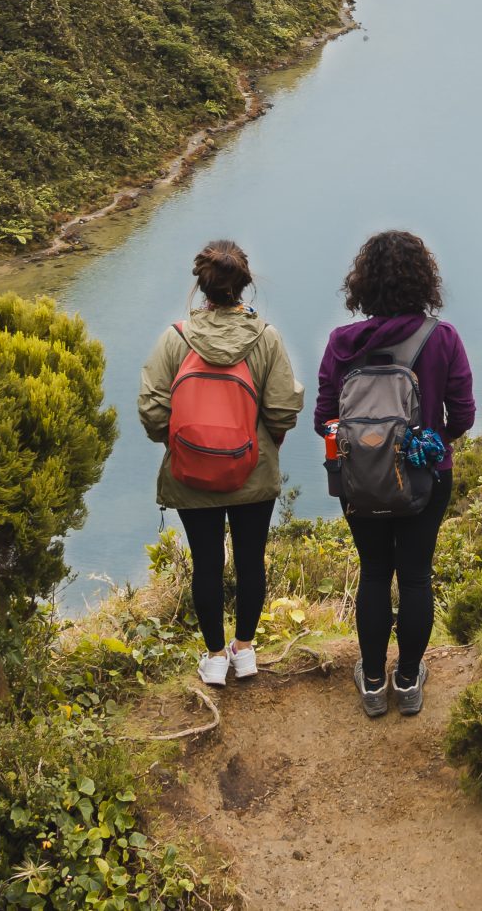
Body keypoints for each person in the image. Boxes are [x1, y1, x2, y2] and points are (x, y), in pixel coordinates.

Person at [316, 228, 475, 717]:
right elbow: (463, 415)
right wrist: (426, 442)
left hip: (359, 480)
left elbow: (324, 416)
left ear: (363, 284)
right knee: (415, 576)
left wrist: (365, 447)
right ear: (424, 280)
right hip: (426, 479)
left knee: (374, 572)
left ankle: (369, 680)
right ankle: (407, 681)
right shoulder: (440, 337)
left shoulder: (343, 343)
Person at [138, 240, 303, 688]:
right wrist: (266, 444)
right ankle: (245, 651)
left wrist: (182, 444)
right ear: (245, 286)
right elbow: (284, 409)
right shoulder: (266, 338)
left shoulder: (174, 339)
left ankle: (214, 657)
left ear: (202, 286)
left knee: (206, 563)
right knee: (251, 561)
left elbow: (152, 409)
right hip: (253, 470)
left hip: (191, 476)